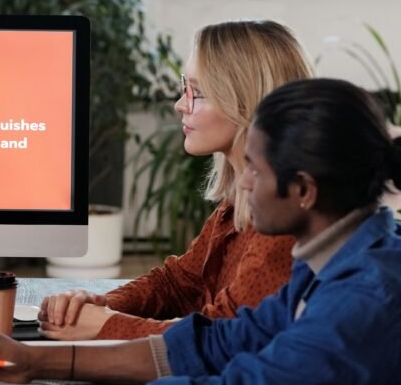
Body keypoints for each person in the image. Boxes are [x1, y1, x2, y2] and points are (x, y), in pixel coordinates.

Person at [0, 78, 401, 385]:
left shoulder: (365, 297)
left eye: (255, 170)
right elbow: (214, 344)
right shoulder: (327, 262)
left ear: (302, 190)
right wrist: (36, 361)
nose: (242, 183)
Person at [39, 20, 312, 340]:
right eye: (185, 88)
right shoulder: (237, 201)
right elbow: (179, 283)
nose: (180, 104)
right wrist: (102, 305)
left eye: (197, 92)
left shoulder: (283, 220)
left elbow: (222, 337)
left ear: (247, 103)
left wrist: (104, 326)